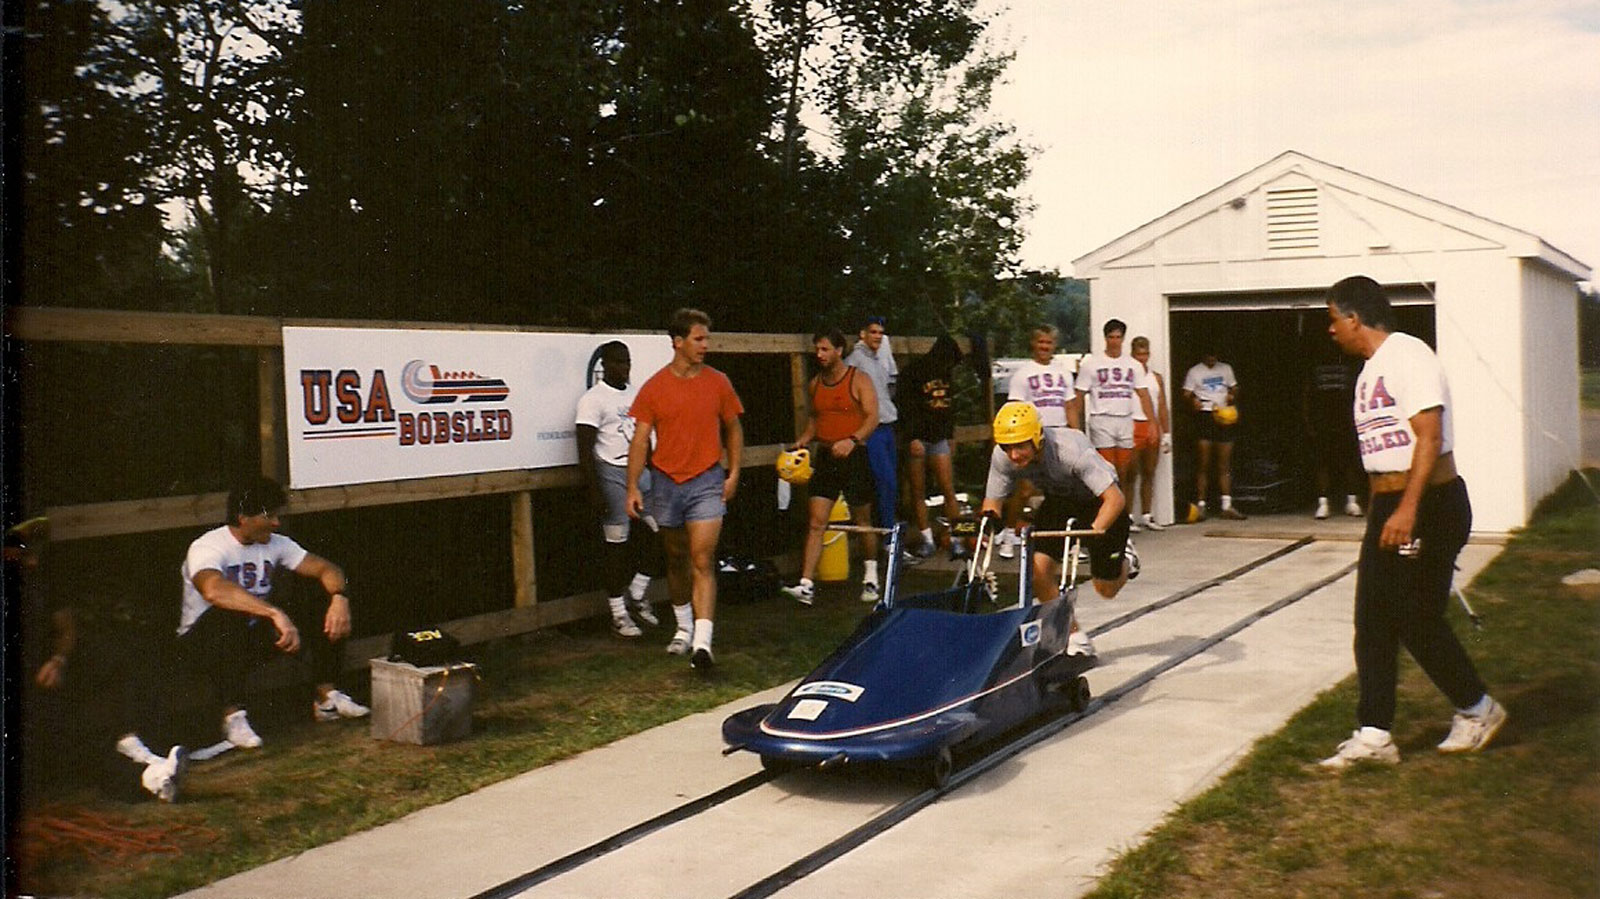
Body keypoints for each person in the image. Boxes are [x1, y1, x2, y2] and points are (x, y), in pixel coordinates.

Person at [1318, 275, 1506, 770]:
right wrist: (1387, 507)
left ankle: (1478, 708)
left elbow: (1429, 436)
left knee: (1414, 616)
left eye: (1333, 320)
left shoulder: (1409, 355)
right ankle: (1375, 734)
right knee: (1372, 619)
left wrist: (1407, 509)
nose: (1331, 330)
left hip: (1428, 502)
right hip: (1392, 503)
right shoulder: (1368, 371)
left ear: (1354, 317)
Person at [172, 476, 369, 752]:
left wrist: (339, 598)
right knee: (231, 616)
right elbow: (213, 590)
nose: (277, 522)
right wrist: (273, 613)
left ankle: (327, 698)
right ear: (243, 518)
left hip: (252, 634)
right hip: (203, 643)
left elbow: (327, 569)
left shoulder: (277, 543)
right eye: (269, 516)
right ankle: (232, 717)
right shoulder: (208, 546)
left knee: (322, 600)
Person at [626, 308, 745, 673]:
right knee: (676, 558)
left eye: (706, 339)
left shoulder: (718, 382)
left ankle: (703, 643)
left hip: (707, 479)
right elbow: (641, 440)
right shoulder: (654, 387)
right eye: (698, 339)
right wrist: (632, 485)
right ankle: (683, 626)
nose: (705, 345)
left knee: (701, 558)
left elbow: (734, 428)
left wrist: (734, 472)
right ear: (678, 342)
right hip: (666, 482)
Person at [982, 401, 1139, 658]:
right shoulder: (1003, 457)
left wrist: (1090, 534)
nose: (1014, 455)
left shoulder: (1070, 450)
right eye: (1007, 447)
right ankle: (1073, 635)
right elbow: (992, 503)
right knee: (1037, 571)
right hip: (1060, 500)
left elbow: (1115, 499)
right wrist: (987, 527)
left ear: (1037, 438)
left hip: (1099, 502)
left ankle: (1127, 559)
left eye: (1020, 446)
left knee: (1105, 588)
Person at [781, 328, 882, 605]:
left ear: (839, 351)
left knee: (862, 521)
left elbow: (873, 417)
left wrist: (852, 440)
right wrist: (802, 441)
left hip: (854, 456)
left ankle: (871, 577)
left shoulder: (858, 379)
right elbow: (815, 419)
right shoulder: (815, 384)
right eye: (817, 349)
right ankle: (806, 584)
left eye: (825, 349)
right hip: (826, 457)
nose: (820, 354)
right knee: (816, 522)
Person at [575, 340, 663, 637]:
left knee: (659, 530)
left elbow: (644, 435)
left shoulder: (637, 393)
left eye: (627, 362)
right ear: (605, 365)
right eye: (617, 362)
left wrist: (651, 468)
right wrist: (594, 488)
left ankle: (637, 593)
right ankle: (618, 613)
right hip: (611, 472)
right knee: (617, 545)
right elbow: (585, 445)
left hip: (641, 473)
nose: (623, 368)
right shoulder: (593, 399)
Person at [1000, 324, 1078, 558]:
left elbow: (1070, 405)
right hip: (1032, 438)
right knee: (1023, 489)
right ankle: (1008, 534)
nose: (1045, 347)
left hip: (1059, 436)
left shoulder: (1063, 372)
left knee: (1064, 489)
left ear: (1054, 345)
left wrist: (1077, 433)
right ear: (1034, 344)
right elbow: (1014, 409)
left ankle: (1068, 540)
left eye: (1049, 343)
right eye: (1041, 342)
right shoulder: (1023, 374)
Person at [1071, 319, 1158, 506]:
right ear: (1105, 338)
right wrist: (1075, 427)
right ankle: (1107, 519)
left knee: (1124, 471)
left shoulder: (1133, 365)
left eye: (1118, 337)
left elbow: (1144, 395)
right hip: (1102, 419)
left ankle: (1124, 519)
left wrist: (1152, 423)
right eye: (1111, 337)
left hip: (1125, 420)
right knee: (1107, 472)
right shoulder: (1092, 364)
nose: (1114, 341)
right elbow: (1079, 395)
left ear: (1123, 338)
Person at [897, 333, 964, 560]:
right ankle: (926, 539)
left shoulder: (946, 375)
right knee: (918, 490)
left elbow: (950, 408)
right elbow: (904, 408)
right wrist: (911, 437)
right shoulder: (912, 373)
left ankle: (957, 538)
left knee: (948, 488)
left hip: (938, 438)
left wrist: (950, 435)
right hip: (917, 438)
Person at [845, 315, 900, 530]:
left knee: (891, 484)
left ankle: (891, 537)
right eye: (873, 332)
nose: (877, 336)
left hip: (888, 425)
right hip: (872, 430)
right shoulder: (855, 361)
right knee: (885, 482)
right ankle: (888, 537)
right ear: (863, 334)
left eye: (880, 332)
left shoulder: (878, 358)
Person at [1303, 338, 1365, 519]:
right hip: (1322, 423)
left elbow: (1358, 395)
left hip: (1346, 422)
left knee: (1350, 463)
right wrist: (1308, 422)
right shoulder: (1316, 369)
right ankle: (1323, 503)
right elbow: (1307, 396)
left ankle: (1352, 502)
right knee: (1322, 464)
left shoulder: (1350, 368)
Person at [1181, 350, 1246, 520]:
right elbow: (1186, 393)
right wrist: (1193, 400)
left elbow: (1235, 387)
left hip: (1224, 415)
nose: (1212, 359)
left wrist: (1232, 395)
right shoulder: (1195, 371)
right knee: (1203, 463)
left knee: (1224, 463)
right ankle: (1201, 504)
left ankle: (1227, 505)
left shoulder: (1226, 369)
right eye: (1208, 356)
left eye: (1214, 356)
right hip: (1205, 416)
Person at [1128, 336, 1172, 531]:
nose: (1142, 358)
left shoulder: (1156, 377)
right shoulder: (1128, 375)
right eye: (1138, 354)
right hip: (1132, 424)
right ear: (1132, 354)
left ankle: (1147, 514)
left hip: (1152, 426)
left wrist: (1167, 432)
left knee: (1149, 471)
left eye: (1145, 354)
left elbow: (1162, 405)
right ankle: (1128, 516)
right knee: (1130, 473)